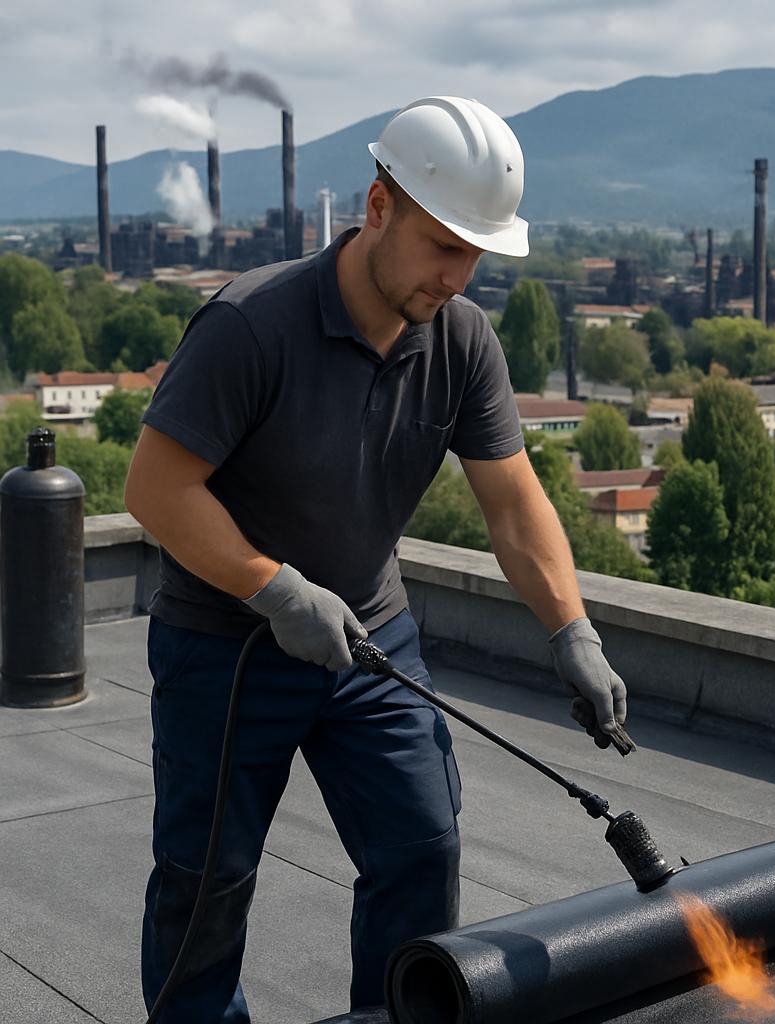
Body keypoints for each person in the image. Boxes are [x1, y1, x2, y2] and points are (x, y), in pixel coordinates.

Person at [125, 95, 629, 1023]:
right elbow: (155, 492)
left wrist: (574, 630)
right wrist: (273, 587)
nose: (460, 273)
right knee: (207, 885)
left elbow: (515, 505)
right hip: (227, 648)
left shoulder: (463, 339)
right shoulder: (251, 327)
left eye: (477, 252)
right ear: (379, 206)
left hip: (369, 639)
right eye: (445, 245)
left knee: (421, 850)